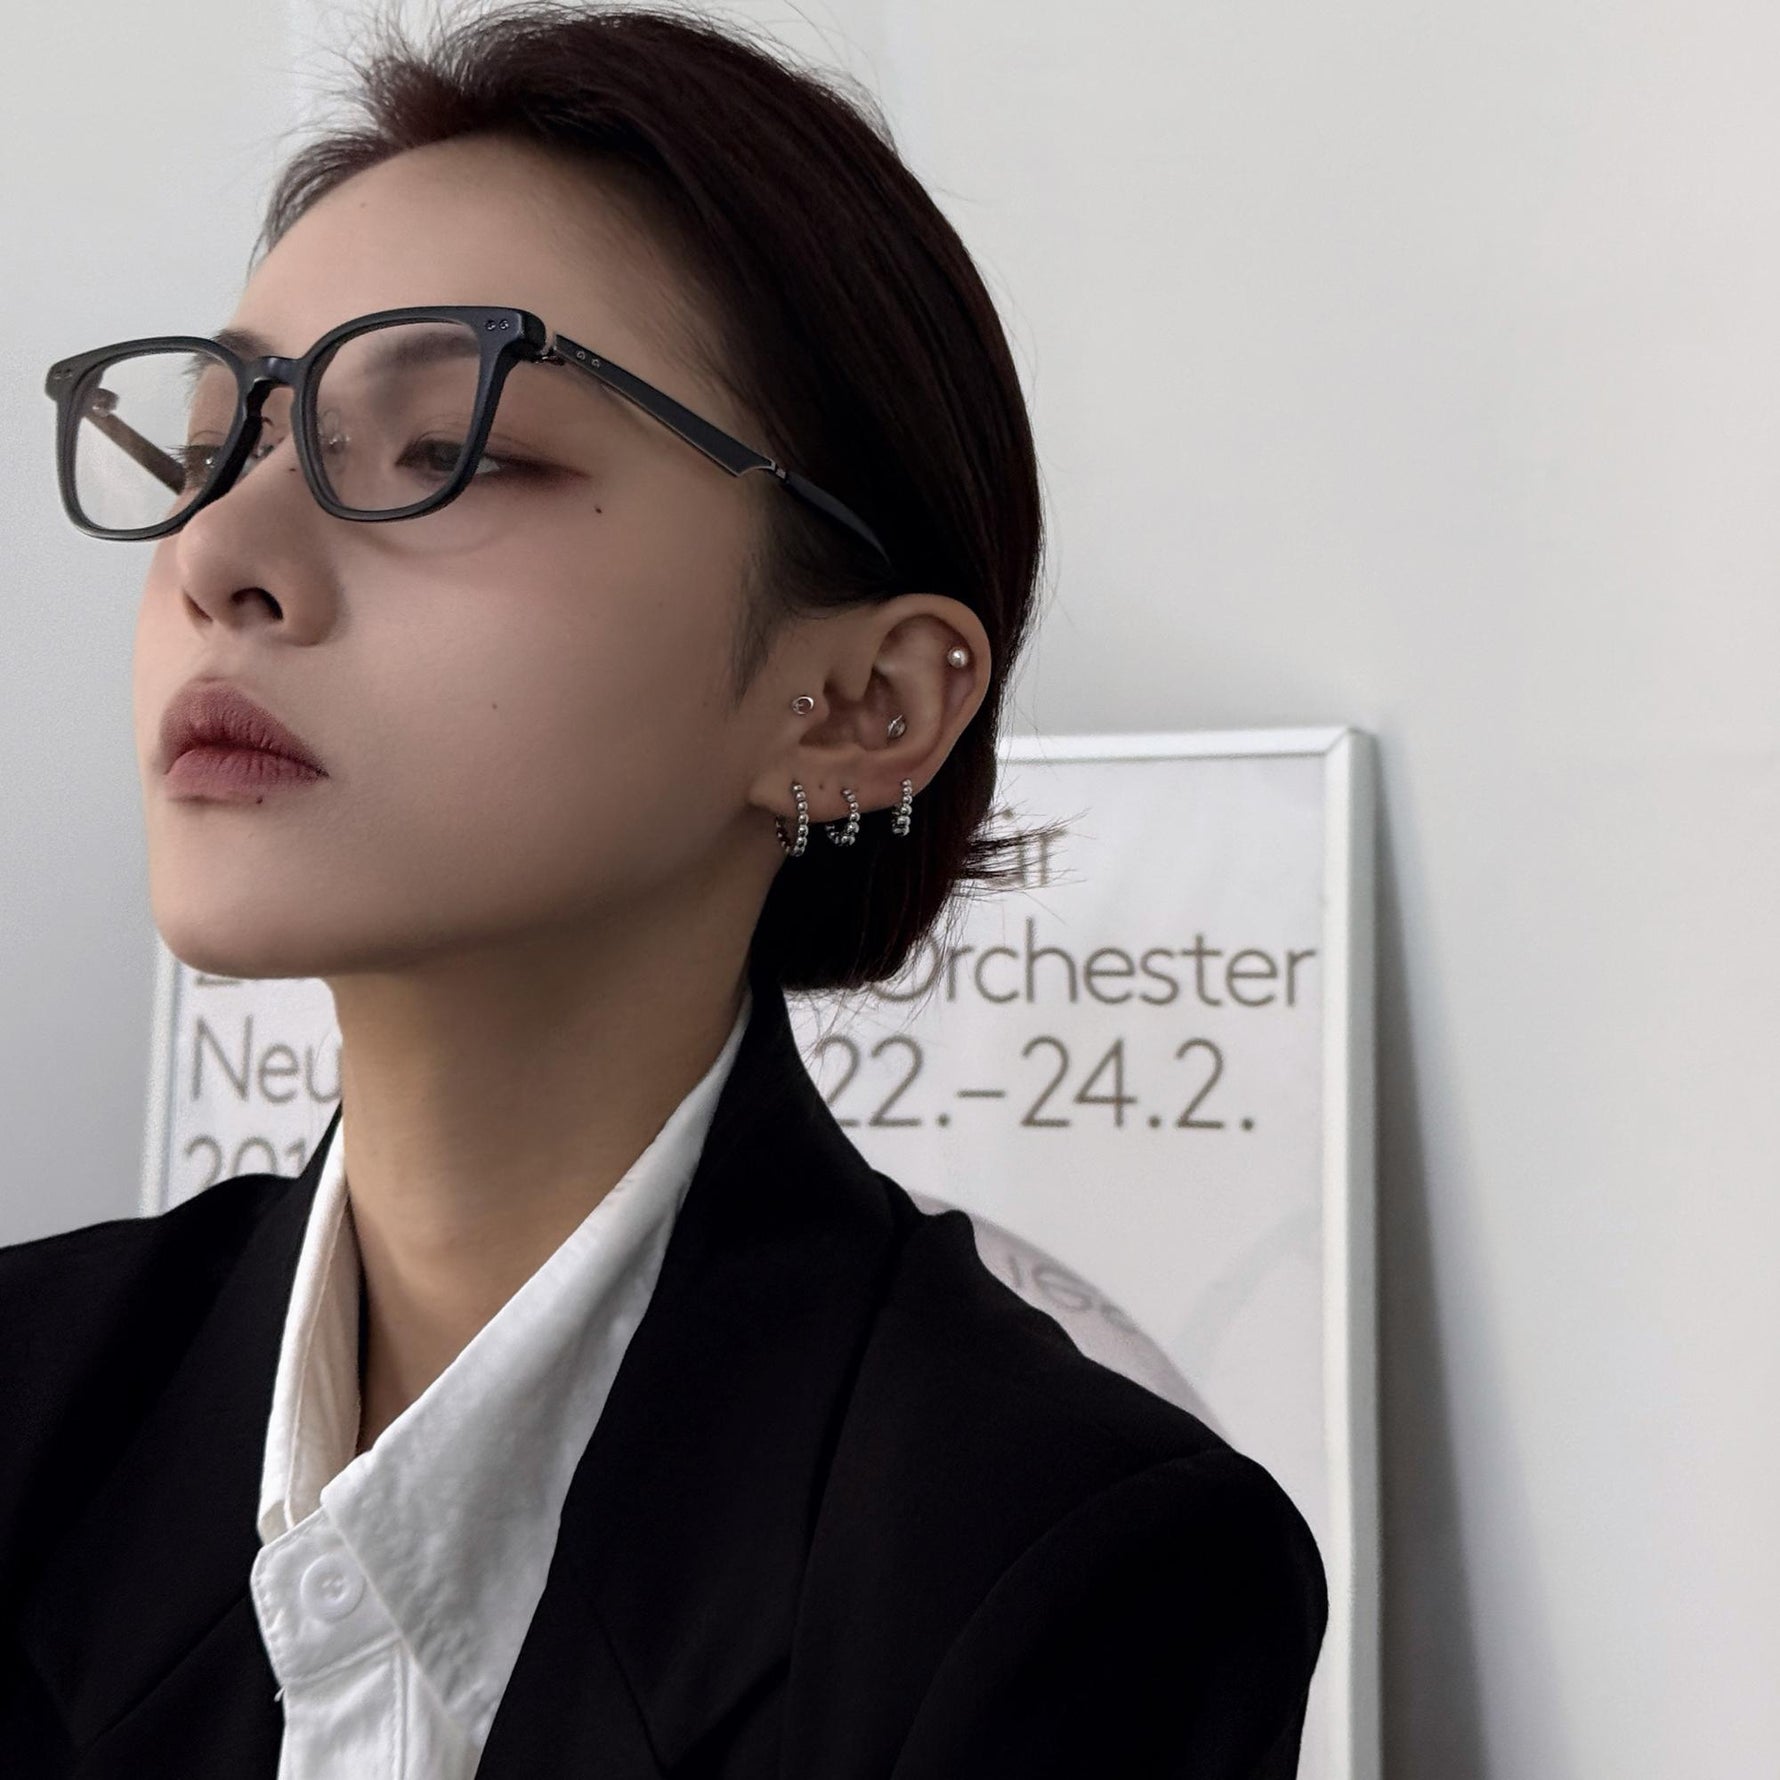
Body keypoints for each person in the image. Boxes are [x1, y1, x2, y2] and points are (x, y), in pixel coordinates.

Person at [2, 5, 1328, 1774]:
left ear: (856, 703)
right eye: (210, 448)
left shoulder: (1056, 1565)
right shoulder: (29, 1398)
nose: (221, 558)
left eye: (448, 449)